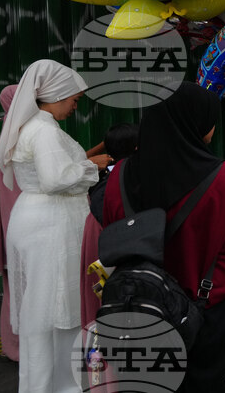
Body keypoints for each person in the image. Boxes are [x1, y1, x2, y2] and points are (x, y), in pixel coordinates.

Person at [104, 82, 225, 391]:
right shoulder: (223, 176)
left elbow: (114, 233)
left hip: (144, 306)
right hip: (210, 305)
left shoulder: (119, 176)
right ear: (192, 120)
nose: (212, 127)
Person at [0, 61, 109, 392]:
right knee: (57, 312)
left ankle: (44, 385)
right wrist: (92, 165)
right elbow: (55, 177)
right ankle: (60, 387)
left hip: (41, 223)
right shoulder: (42, 130)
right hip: (50, 228)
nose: (76, 104)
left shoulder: (36, 127)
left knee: (45, 313)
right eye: (74, 97)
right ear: (56, 94)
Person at [82, 123, 138, 329]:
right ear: (137, 149)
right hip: (112, 259)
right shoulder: (128, 181)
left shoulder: (99, 177)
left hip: (97, 254)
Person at [0, 85, 19, 361]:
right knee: (20, 291)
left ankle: (14, 348)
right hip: (17, 228)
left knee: (16, 291)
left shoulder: (9, 136)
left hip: (14, 227)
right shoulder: (13, 141)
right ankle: (17, 348)